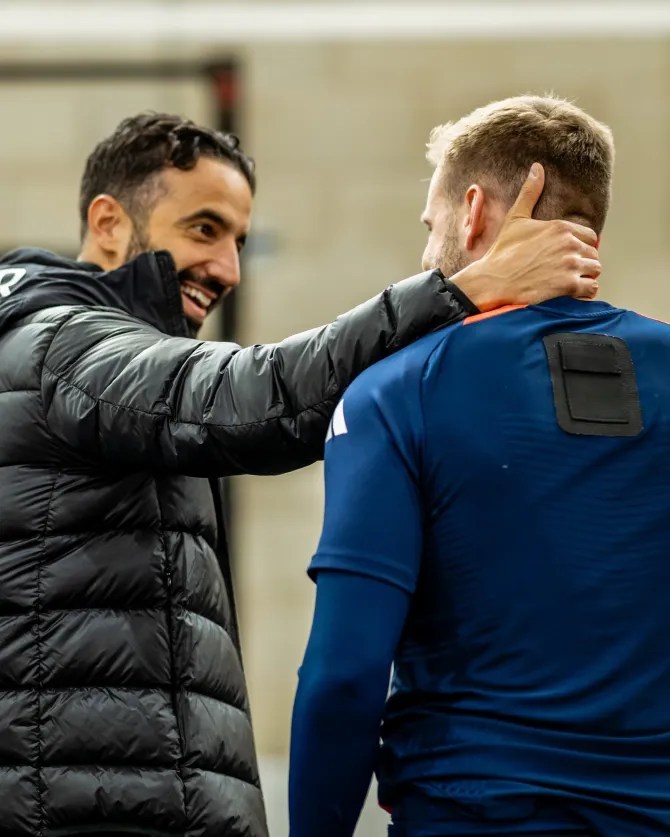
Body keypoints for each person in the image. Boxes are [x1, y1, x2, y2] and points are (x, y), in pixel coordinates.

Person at [0, 111, 600, 837]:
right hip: (95, 810)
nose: (227, 269)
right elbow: (254, 395)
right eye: (203, 229)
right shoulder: (63, 343)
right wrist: (460, 288)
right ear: (107, 222)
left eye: (239, 240)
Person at [289, 94, 670, 837]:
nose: (428, 255)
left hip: (471, 813)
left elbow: (343, 677)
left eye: (431, 229)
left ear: (471, 213)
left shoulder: (401, 389)